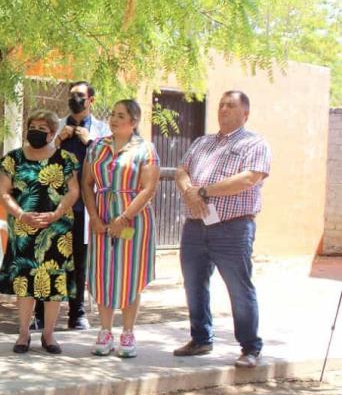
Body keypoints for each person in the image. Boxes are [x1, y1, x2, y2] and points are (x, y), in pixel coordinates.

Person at [173, 91, 271, 368]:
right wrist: (189, 191)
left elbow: (249, 178)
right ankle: (201, 338)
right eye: (221, 105)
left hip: (233, 229)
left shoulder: (255, 143)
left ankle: (250, 347)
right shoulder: (202, 142)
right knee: (194, 284)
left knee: (239, 288)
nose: (224, 109)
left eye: (231, 106)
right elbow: (182, 171)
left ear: (245, 114)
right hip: (195, 227)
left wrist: (205, 191)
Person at [0, 110, 80, 354]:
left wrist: (57, 213)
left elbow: (73, 191)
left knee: (53, 284)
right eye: (33, 126)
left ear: (52, 133)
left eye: (43, 128)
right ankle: (23, 334)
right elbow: (2, 192)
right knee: (25, 283)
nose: (37, 131)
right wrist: (21, 214)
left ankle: (49, 335)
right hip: (23, 229)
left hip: (56, 229)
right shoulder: (13, 159)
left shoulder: (65, 158)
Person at [82, 99, 159, 358]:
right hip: (102, 218)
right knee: (103, 274)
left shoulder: (145, 149)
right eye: (113, 114)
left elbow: (148, 188)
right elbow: (86, 184)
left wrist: (124, 217)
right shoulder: (96, 147)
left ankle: (127, 332)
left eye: (121, 115)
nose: (114, 119)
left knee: (129, 275)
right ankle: (105, 331)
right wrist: (93, 216)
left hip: (133, 219)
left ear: (134, 122)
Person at [36, 81, 110, 331]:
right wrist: (56, 141)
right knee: (48, 258)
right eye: (71, 96)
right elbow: (37, 156)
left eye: (79, 95)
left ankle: (76, 313)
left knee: (79, 262)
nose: (74, 99)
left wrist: (92, 143)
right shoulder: (56, 125)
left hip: (85, 207)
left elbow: (111, 164)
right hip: (54, 204)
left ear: (91, 100)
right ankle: (39, 314)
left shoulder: (103, 131)